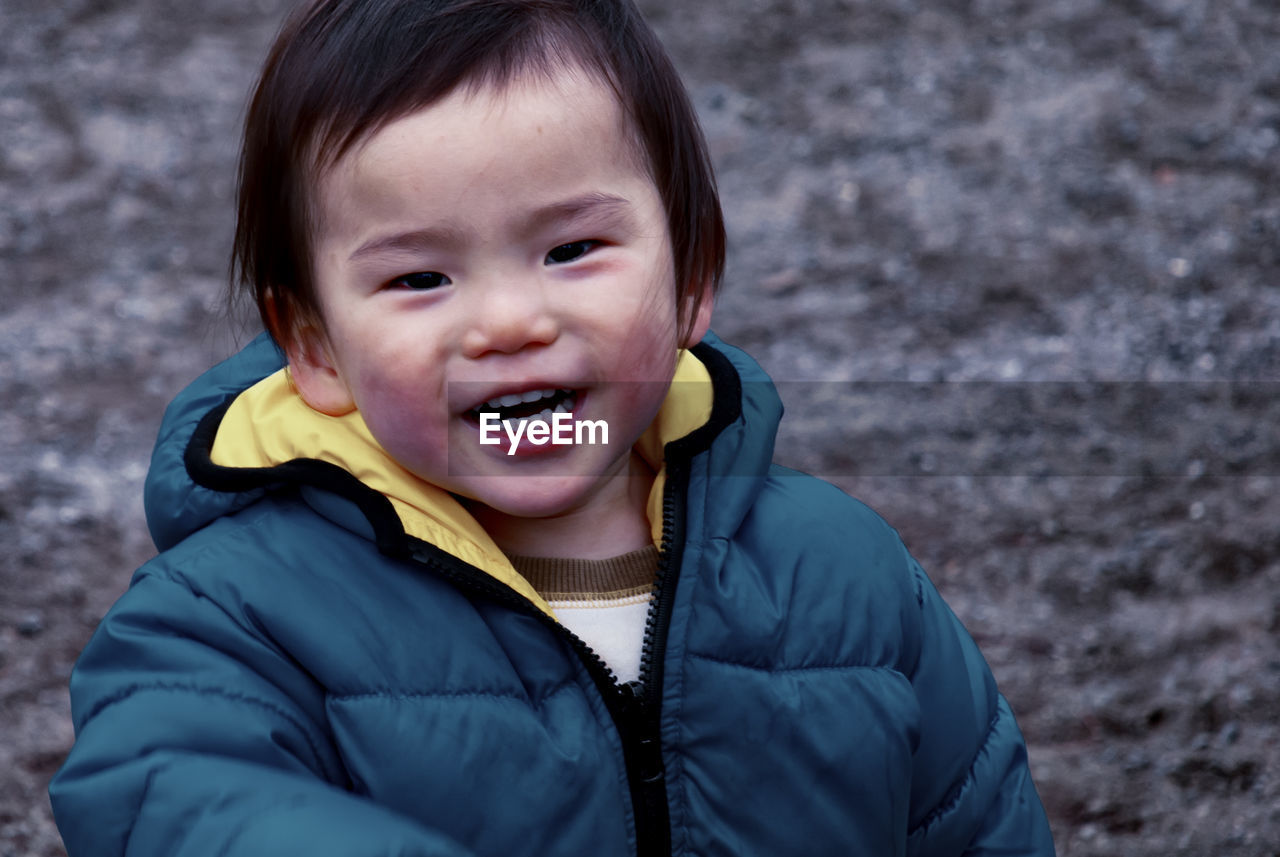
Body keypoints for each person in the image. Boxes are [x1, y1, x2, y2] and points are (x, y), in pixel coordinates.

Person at [49, 0, 1056, 854]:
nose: (509, 323)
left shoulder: (840, 576)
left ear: (690, 279)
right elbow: (157, 784)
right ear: (312, 343)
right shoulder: (235, 612)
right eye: (420, 278)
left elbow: (973, 819)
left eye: (571, 248)